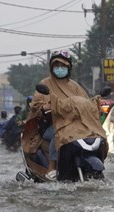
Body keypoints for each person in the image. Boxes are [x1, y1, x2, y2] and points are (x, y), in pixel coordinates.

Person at [28, 50, 88, 181]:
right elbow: (36, 104)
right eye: (57, 66)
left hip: (75, 125)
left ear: (69, 68)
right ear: (52, 67)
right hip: (51, 125)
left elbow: (85, 102)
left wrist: (94, 105)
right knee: (59, 133)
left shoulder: (75, 86)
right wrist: (44, 106)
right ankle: (52, 167)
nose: (60, 69)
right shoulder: (45, 84)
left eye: (63, 66)